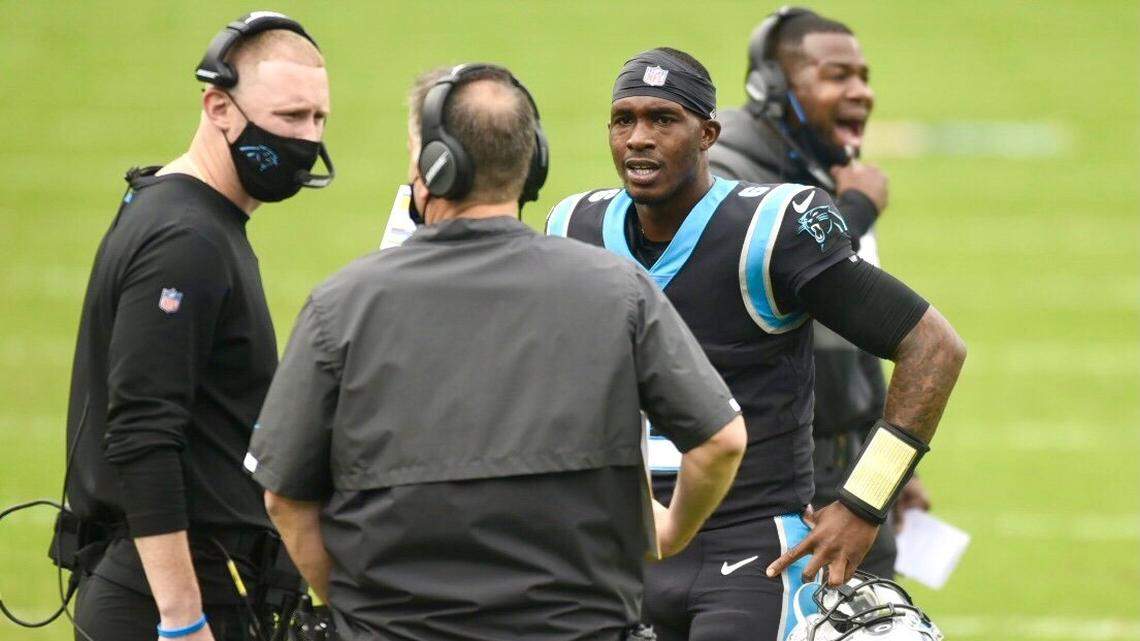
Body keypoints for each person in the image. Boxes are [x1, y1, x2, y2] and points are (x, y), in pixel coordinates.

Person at [244, 63, 748, 641]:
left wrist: (363, 611)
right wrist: (669, 533)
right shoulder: (620, 292)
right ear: (532, 162)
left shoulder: (341, 305)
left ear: (433, 165)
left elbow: (283, 496)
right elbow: (721, 441)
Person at [546, 47, 965, 641]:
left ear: (707, 133)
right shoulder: (574, 228)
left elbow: (934, 347)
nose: (639, 138)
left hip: (752, 550)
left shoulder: (772, 230)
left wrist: (865, 501)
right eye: (624, 120)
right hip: (615, 546)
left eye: (663, 120)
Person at [61, 11, 333, 641]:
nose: (307, 138)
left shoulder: (186, 211)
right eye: (289, 118)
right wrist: (184, 622)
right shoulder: (188, 238)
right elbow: (141, 433)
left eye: (317, 118)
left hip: (187, 587)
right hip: (170, 601)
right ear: (218, 107)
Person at [708, 6, 928, 579]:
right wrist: (854, 210)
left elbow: (864, 334)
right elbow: (769, 266)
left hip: (850, 469)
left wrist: (892, 467)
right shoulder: (725, 170)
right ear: (775, 87)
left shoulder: (825, 167)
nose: (862, 93)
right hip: (779, 482)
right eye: (837, 76)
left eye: (864, 76)